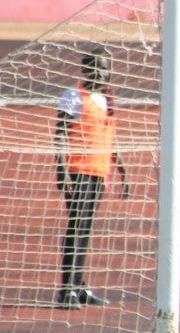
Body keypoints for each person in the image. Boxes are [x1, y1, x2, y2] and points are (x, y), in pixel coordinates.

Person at [54, 45, 128, 309]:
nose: (100, 72)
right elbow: (60, 133)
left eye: (105, 68)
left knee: (86, 229)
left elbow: (109, 137)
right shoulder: (75, 96)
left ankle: (80, 284)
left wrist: (121, 168)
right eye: (95, 67)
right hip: (78, 171)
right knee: (76, 227)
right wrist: (62, 170)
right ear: (85, 69)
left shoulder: (108, 98)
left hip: (99, 172)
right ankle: (67, 289)